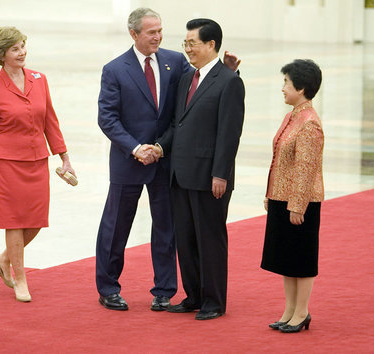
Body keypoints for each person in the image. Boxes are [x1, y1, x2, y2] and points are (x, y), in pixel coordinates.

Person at [96, 8, 240, 311]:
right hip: (128, 160)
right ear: (134, 34)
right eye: (151, 32)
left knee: (167, 228)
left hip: (166, 161)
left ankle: (164, 289)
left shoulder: (175, 62)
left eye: (160, 30)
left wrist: (229, 71)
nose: (158, 37)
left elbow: (206, 87)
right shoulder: (114, 69)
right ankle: (108, 287)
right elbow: (107, 119)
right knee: (116, 227)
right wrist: (136, 149)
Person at [152, 18, 245, 320]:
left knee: (210, 239)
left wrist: (221, 173)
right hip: (180, 174)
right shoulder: (186, 80)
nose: (188, 48)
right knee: (186, 237)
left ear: (211, 45)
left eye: (192, 43)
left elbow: (229, 133)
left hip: (209, 177)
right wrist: (161, 147)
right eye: (186, 43)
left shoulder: (229, 81)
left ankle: (214, 301)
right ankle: (193, 295)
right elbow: (177, 124)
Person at [0, 26, 75, 302]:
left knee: (35, 221)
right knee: (14, 221)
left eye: (22, 46)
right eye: (15, 49)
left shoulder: (39, 79)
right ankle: (20, 279)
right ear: (2, 55)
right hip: (6, 163)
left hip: (36, 161)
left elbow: (50, 122)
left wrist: (64, 157)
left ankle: (3, 258)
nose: (22, 53)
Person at [260, 59, 324, 333]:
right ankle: (289, 309)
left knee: (301, 258)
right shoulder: (292, 116)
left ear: (302, 87)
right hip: (281, 198)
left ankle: (302, 312)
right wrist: (271, 194)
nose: (283, 88)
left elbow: (306, 169)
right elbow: (280, 160)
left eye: (286, 82)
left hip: (300, 202)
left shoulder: (309, 123)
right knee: (285, 257)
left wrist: (297, 206)